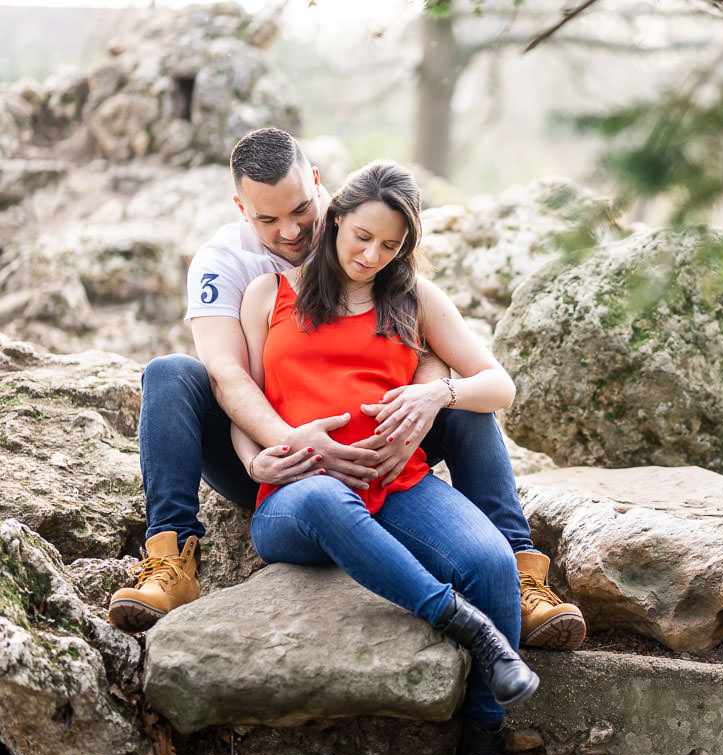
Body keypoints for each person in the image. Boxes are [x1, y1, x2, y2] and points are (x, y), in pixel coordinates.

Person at [107, 128, 585, 657]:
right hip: (278, 454)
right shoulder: (226, 264)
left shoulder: (365, 226)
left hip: (376, 444)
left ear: (320, 189)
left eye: (300, 210)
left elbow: (422, 340)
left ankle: (519, 572)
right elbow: (229, 376)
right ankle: (172, 558)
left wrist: (425, 404)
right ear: (241, 208)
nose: (290, 232)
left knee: (462, 399)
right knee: (171, 372)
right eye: (267, 219)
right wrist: (280, 449)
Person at [236, 160, 531, 755]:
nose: (372, 255)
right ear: (335, 219)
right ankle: (462, 622)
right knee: (325, 496)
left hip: (397, 485)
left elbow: (499, 386)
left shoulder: (414, 298)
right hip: (297, 499)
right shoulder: (270, 294)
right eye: (362, 237)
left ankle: (484, 732)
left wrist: (436, 391)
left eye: (390, 245)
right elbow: (242, 393)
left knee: (493, 564)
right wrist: (253, 459)